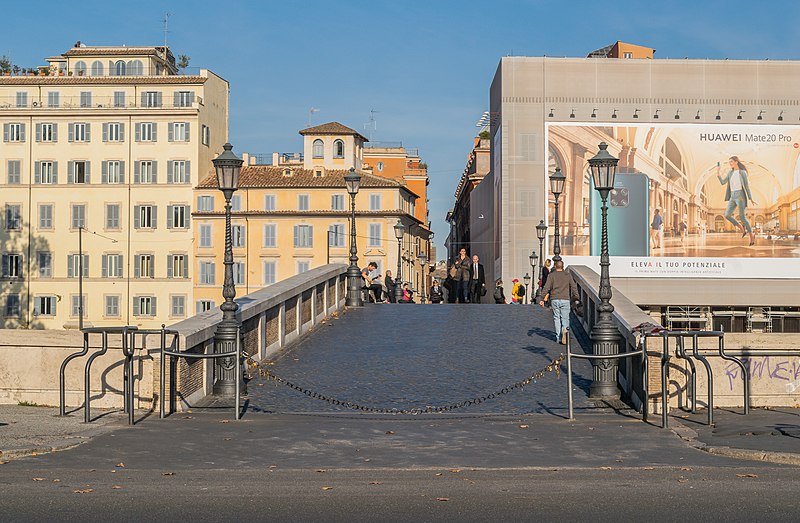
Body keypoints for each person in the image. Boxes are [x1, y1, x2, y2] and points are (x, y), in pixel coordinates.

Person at [717, 156, 756, 246]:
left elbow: (746, 186)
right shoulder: (730, 173)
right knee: (727, 215)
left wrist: (751, 198)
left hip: (740, 196)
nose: (730, 163)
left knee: (742, 217)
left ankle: (751, 235)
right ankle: (741, 228)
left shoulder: (743, 173)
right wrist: (718, 172)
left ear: (736, 162)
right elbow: (723, 182)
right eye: (729, 162)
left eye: (731, 161)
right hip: (732, 196)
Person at [539, 260, 577, 345]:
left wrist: (542, 299)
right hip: (565, 299)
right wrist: (577, 297)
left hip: (554, 299)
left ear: (555, 266)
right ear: (563, 267)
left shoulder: (551, 275)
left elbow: (546, 287)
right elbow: (574, 287)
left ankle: (558, 337)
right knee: (565, 318)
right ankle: (565, 331)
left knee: (556, 318)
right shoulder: (567, 275)